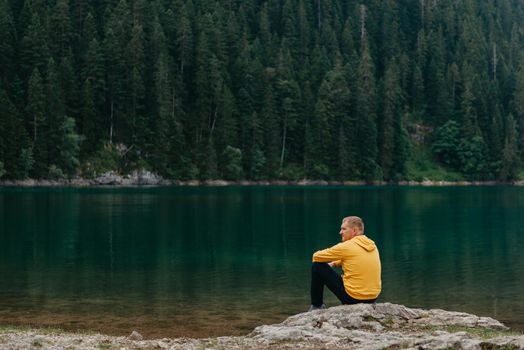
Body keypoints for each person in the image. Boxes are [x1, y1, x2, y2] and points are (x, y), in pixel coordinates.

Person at [309, 216, 381, 311]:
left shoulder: (346, 247)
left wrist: (337, 255)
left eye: (343, 229)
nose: (340, 232)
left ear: (354, 231)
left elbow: (316, 257)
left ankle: (317, 305)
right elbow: (354, 257)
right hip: (373, 297)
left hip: (353, 298)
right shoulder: (372, 245)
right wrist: (334, 263)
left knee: (317, 266)